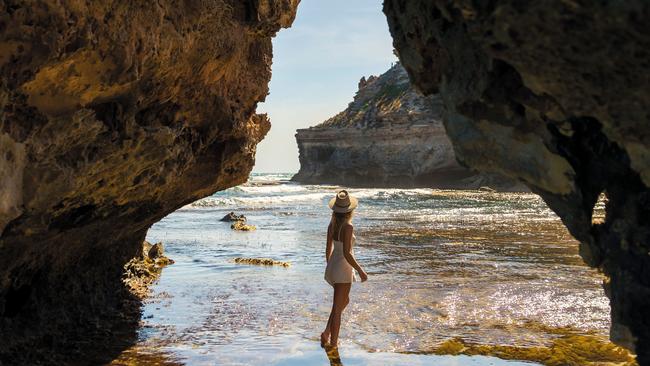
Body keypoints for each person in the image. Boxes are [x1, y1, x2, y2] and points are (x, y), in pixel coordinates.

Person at [321, 190, 368, 348]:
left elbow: (328, 248)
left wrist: (330, 266)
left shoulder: (332, 224)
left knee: (343, 302)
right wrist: (360, 271)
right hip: (342, 268)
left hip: (334, 265)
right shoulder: (348, 226)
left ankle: (327, 332)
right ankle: (333, 345)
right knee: (338, 307)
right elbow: (347, 253)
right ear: (350, 210)